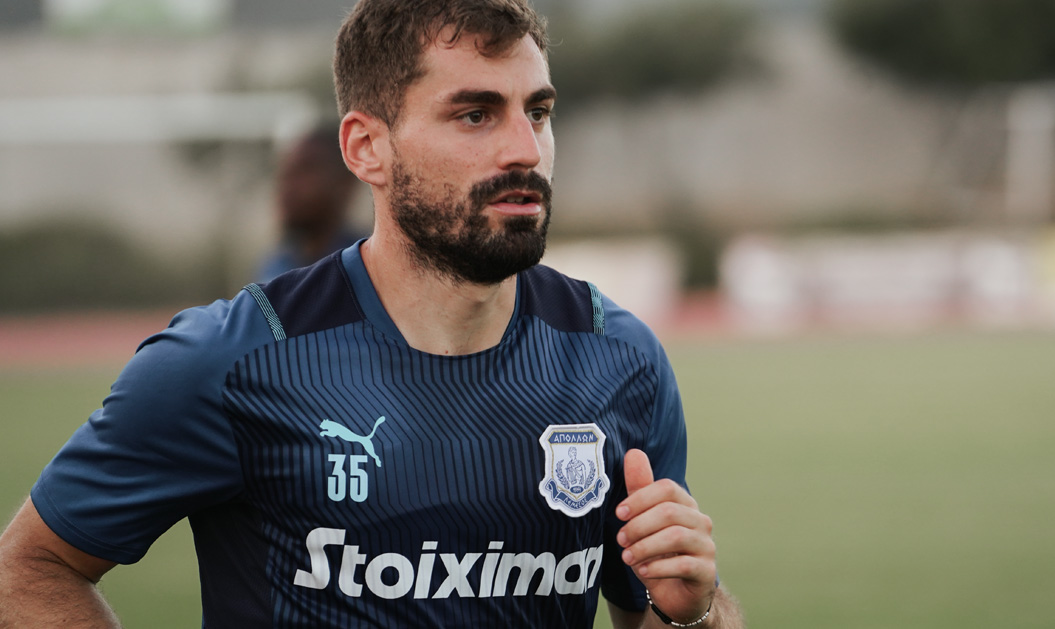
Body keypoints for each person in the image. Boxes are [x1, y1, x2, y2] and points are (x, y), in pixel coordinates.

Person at [0, 0, 745, 627]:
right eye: (475, 114)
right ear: (366, 148)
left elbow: (656, 612)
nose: (526, 149)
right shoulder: (230, 362)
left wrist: (696, 611)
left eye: (539, 112)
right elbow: (30, 570)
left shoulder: (620, 359)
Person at [257, 121, 364, 282]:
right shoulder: (274, 267)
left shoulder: (365, 268)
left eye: (306, 170)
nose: (289, 186)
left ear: (345, 183)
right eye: (286, 173)